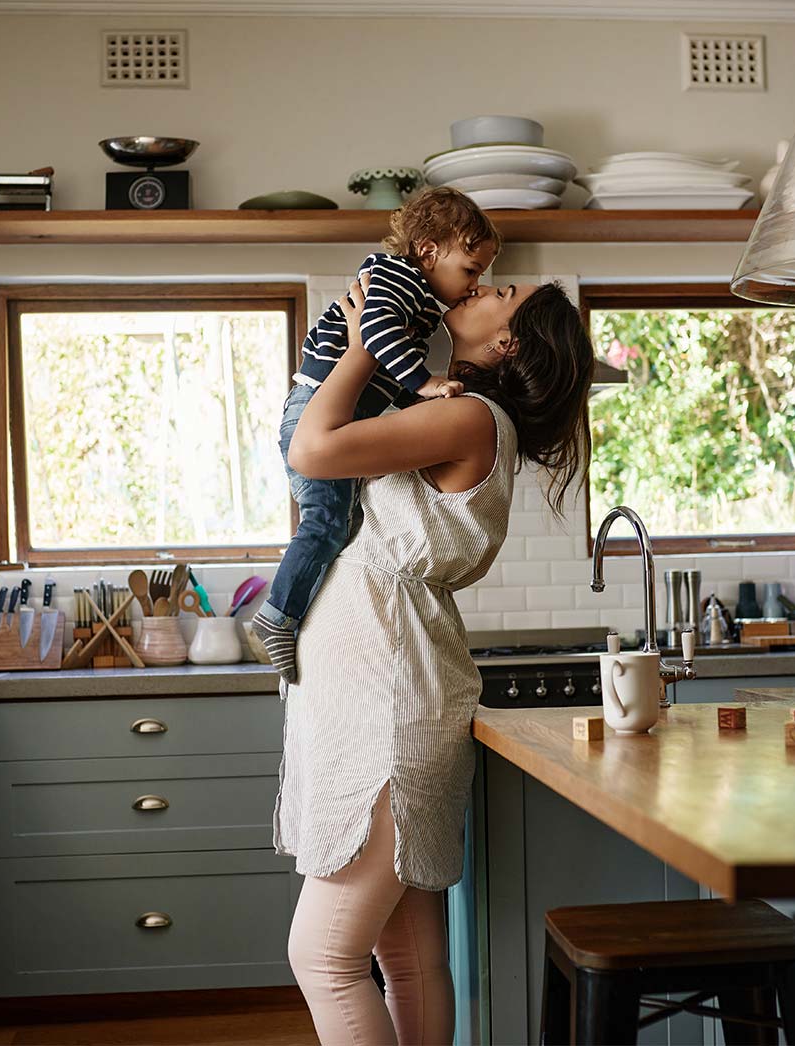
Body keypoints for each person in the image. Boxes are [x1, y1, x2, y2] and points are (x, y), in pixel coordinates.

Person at [274, 271, 594, 1045]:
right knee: (408, 957)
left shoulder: (470, 418)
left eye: (504, 291)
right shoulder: (456, 408)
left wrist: (356, 352)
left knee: (322, 957)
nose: (487, 283)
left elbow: (311, 449)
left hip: (386, 697)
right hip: (390, 682)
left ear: (507, 339)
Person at [253, 187, 502, 683]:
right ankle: (277, 617)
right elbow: (376, 334)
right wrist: (425, 383)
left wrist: (418, 397)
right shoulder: (398, 276)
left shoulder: (421, 295)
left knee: (337, 523)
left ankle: (288, 613)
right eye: (471, 271)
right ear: (428, 252)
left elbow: (382, 372)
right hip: (312, 408)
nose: (475, 285)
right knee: (325, 523)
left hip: (333, 409)